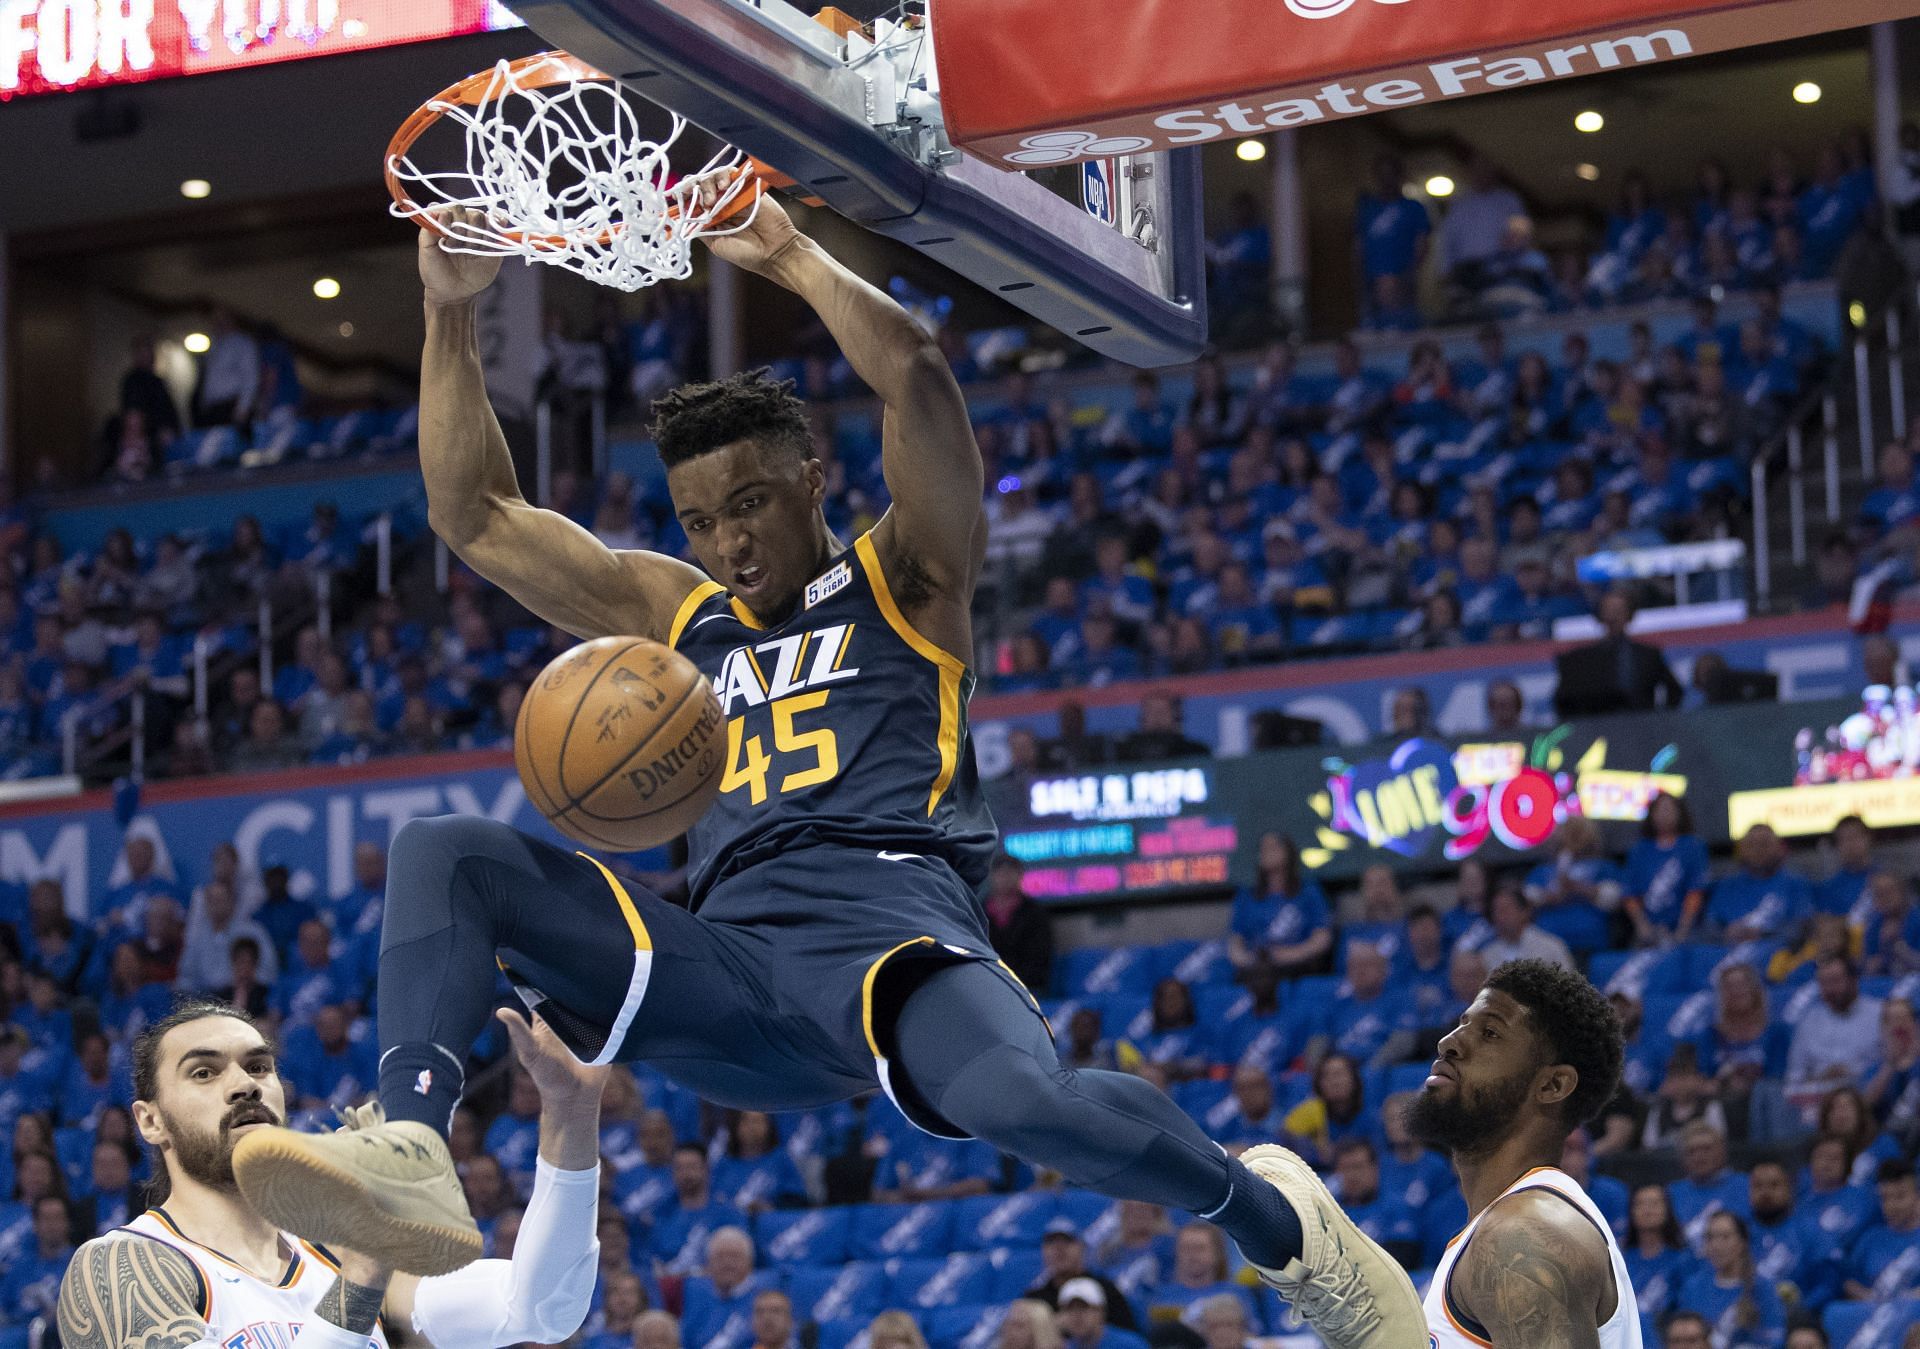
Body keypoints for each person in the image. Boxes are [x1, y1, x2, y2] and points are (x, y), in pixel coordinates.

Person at [233, 190, 1422, 1345]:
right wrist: (447, 310)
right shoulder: (677, 611)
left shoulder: (905, 577)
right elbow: (477, 514)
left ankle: (1289, 1231)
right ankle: (413, 1146)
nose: (727, 539)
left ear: (811, 478)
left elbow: (915, 370)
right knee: (444, 849)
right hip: (731, 963)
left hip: (891, 925)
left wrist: (791, 255)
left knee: (1028, 1106)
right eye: (701, 519)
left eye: (750, 501)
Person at [55, 998, 606, 1349]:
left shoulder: (329, 1257)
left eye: (259, 1066)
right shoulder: (122, 1266)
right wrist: (365, 1264)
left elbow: (541, 1306)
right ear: (151, 1121)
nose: (245, 1085)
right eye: (204, 1071)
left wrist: (570, 1117)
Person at [1410, 959, 1642, 1348]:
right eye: (1461, 1022)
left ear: (1553, 1084)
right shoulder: (1506, 1226)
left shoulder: (1520, 1238)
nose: (1449, 1041)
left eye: (1489, 1033)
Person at [1552, 590, 1684, 718]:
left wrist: (1660, 719)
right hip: (1600, 729)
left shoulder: (1649, 654)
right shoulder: (1580, 659)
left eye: (1618, 611)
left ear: (1630, 615)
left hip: (1642, 728)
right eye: (1608, 611)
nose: (1613, 617)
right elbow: (1565, 701)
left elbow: (1674, 690)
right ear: (1600, 616)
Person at [1023, 1219, 1139, 1330]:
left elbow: (1127, 1336)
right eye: (1051, 1242)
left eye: (1068, 1241)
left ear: (1082, 1248)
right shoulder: (1034, 1300)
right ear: (1043, 1251)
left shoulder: (1106, 1291)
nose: (1059, 1249)